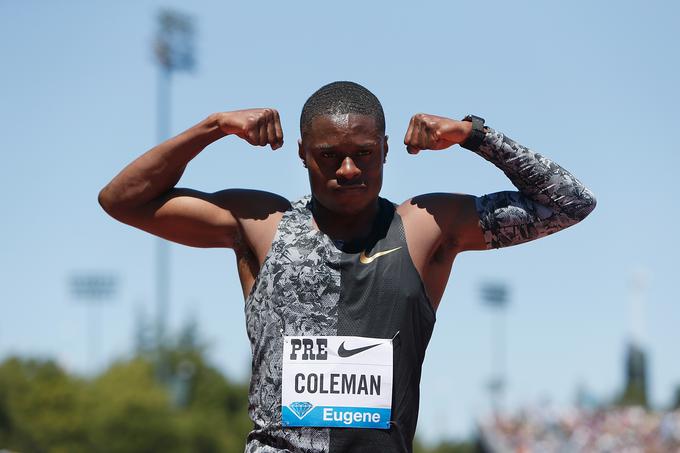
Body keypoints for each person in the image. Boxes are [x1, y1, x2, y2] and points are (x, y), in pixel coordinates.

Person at [99, 81, 596, 452]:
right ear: (302, 155)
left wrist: (473, 134)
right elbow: (121, 200)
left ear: (384, 150)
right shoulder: (261, 224)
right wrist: (213, 127)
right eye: (329, 156)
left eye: (363, 153)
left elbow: (569, 204)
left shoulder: (424, 227)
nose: (348, 169)